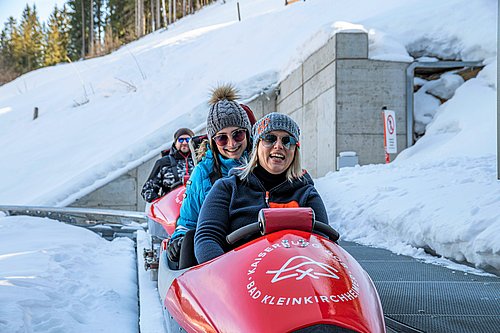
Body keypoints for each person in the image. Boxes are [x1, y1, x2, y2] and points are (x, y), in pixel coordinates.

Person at [194, 112, 329, 264]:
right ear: (257, 146)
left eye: (287, 141)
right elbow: (207, 238)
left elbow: (323, 242)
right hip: (238, 277)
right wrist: (225, 273)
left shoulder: (307, 193)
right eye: (270, 139)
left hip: (295, 275)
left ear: (294, 151)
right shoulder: (227, 188)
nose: (278, 146)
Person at [167, 84, 252, 267]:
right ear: (213, 142)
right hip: (217, 253)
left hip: (255, 251)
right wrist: (180, 237)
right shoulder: (203, 173)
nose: (231, 143)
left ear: (248, 134)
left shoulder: (263, 164)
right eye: (222, 138)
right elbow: (188, 220)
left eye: (238, 135)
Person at [141, 127, 195, 203]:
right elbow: (147, 190)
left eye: (188, 140)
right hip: (172, 208)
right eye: (181, 140)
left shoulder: (201, 160)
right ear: (175, 142)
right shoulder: (163, 163)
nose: (185, 143)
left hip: (197, 206)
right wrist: (160, 202)